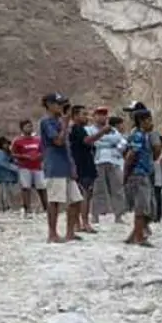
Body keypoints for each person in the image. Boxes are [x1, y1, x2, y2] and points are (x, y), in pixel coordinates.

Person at [38, 94, 83, 242]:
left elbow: (66, 145)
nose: (61, 107)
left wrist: (72, 165)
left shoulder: (58, 121)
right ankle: (52, 234)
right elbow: (58, 141)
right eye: (58, 104)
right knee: (54, 201)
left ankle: (70, 232)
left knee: (76, 200)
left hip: (65, 165)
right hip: (54, 165)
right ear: (49, 105)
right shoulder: (46, 122)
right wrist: (64, 124)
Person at [123, 107, 156, 246]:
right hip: (138, 174)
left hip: (143, 173)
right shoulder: (138, 135)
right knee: (141, 207)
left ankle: (134, 235)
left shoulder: (144, 135)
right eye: (149, 120)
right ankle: (138, 237)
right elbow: (131, 155)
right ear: (142, 121)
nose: (151, 123)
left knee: (147, 207)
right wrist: (126, 173)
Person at [68, 104, 102, 233]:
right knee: (85, 194)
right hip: (82, 165)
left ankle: (78, 223)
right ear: (75, 116)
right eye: (83, 114)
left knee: (80, 195)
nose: (86, 117)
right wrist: (102, 132)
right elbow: (87, 141)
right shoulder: (77, 129)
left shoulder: (78, 129)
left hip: (83, 164)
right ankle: (84, 223)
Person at [91, 114, 127, 224]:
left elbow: (121, 145)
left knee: (117, 189)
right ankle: (95, 215)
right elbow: (95, 143)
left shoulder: (117, 134)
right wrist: (110, 143)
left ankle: (119, 215)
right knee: (98, 189)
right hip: (99, 162)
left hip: (114, 162)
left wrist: (103, 141)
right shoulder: (94, 131)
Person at [12, 119, 47, 216]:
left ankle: (46, 208)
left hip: (37, 167)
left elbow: (43, 150)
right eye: (27, 126)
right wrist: (24, 157)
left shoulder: (38, 139)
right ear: (22, 128)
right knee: (26, 187)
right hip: (24, 167)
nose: (30, 128)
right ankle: (28, 208)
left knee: (42, 187)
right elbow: (13, 154)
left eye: (31, 126)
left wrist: (40, 156)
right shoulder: (17, 140)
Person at [0, 137, 20, 211]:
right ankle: (5, 207)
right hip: (3, 175)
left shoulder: (8, 152)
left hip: (10, 176)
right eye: (5, 144)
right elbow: (1, 163)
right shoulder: (0, 153)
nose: (6, 145)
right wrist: (13, 167)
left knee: (10, 192)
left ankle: (9, 206)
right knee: (4, 192)